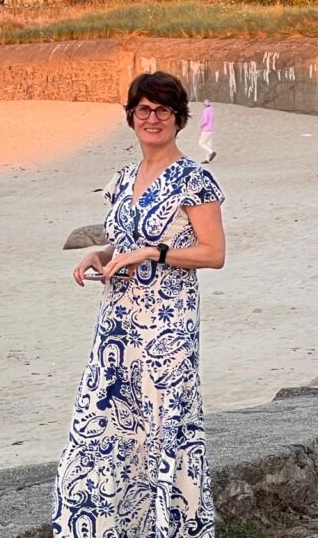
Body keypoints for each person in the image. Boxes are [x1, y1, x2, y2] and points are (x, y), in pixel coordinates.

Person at [54, 71, 226, 537]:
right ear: (131, 117)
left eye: (163, 110)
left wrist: (156, 253)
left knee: (163, 436)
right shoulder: (123, 178)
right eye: (144, 110)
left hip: (166, 332)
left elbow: (214, 253)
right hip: (117, 329)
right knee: (101, 435)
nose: (153, 119)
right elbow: (122, 244)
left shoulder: (195, 180)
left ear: (179, 118)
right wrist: (100, 254)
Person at [198, 98, 216, 164]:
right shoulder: (211, 110)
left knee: (201, 143)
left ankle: (212, 152)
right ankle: (207, 159)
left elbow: (205, 120)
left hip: (206, 129)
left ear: (204, 104)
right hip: (211, 129)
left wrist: (201, 125)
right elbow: (212, 120)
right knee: (208, 143)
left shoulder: (206, 111)